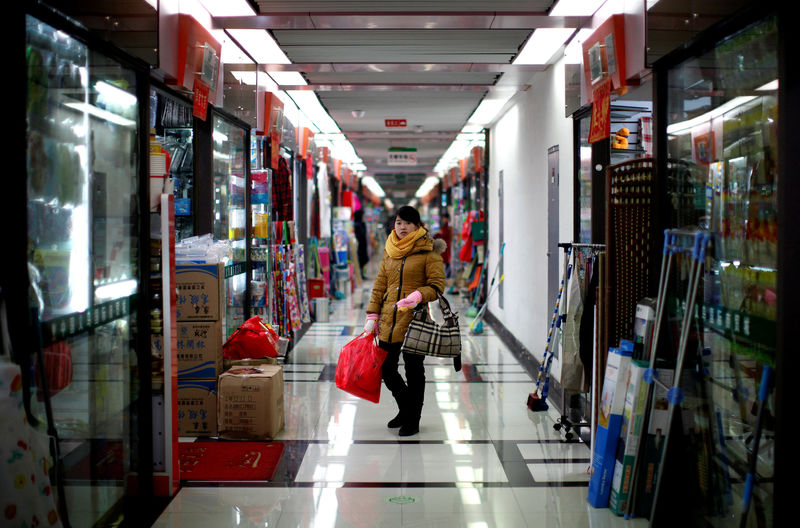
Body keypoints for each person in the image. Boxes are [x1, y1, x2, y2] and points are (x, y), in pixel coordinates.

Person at [364, 205, 446, 436]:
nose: (402, 227)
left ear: (417, 225)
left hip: (415, 320)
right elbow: (380, 283)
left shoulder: (428, 252)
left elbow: (437, 285)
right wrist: (372, 313)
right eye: (399, 222)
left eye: (407, 223)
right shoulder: (390, 250)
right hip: (390, 319)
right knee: (386, 368)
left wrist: (418, 295)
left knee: (414, 370)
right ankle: (405, 408)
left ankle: (413, 419)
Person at [434, 212, 452, 278]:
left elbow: (446, 234)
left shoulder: (448, 226)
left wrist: (440, 232)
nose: (444, 219)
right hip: (444, 245)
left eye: (444, 218)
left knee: (446, 261)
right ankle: (446, 275)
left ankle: (447, 275)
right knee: (445, 260)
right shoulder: (444, 226)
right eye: (443, 218)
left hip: (446, 246)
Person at [353, 209, 369, 279]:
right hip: (359, 245)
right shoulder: (358, 225)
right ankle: (360, 275)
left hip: (362, 245)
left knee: (363, 260)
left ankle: (362, 274)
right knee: (361, 260)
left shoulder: (361, 224)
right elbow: (361, 234)